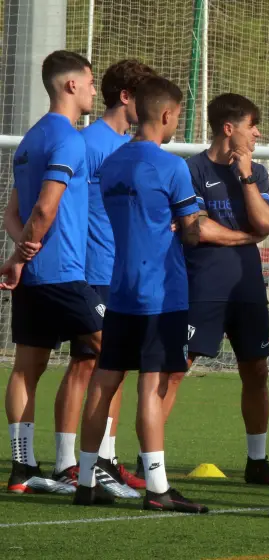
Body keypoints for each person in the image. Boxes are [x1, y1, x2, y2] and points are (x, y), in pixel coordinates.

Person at [71, 75, 207, 513]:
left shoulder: (111, 162)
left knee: (103, 383)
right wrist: (188, 222)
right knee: (152, 387)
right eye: (178, 117)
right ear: (166, 115)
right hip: (160, 294)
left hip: (120, 289)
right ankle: (157, 489)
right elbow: (191, 233)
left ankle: (86, 480)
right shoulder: (172, 167)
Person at [152, 93, 269, 486]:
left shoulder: (256, 172)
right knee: (175, 371)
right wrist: (245, 237)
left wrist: (245, 179)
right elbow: (197, 230)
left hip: (248, 289)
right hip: (201, 287)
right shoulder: (189, 170)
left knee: (256, 371)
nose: (257, 132)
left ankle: (257, 462)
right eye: (251, 124)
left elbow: (267, 224)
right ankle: (150, 459)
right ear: (229, 128)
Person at [1, 50, 100, 496]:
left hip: (35, 276)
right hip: (62, 273)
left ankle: (23, 469)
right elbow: (43, 207)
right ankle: (92, 464)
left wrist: (19, 257)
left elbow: (10, 213)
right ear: (71, 86)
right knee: (113, 349)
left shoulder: (28, 140)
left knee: (27, 368)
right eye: (90, 81)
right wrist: (24, 257)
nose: (94, 90)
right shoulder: (68, 139)